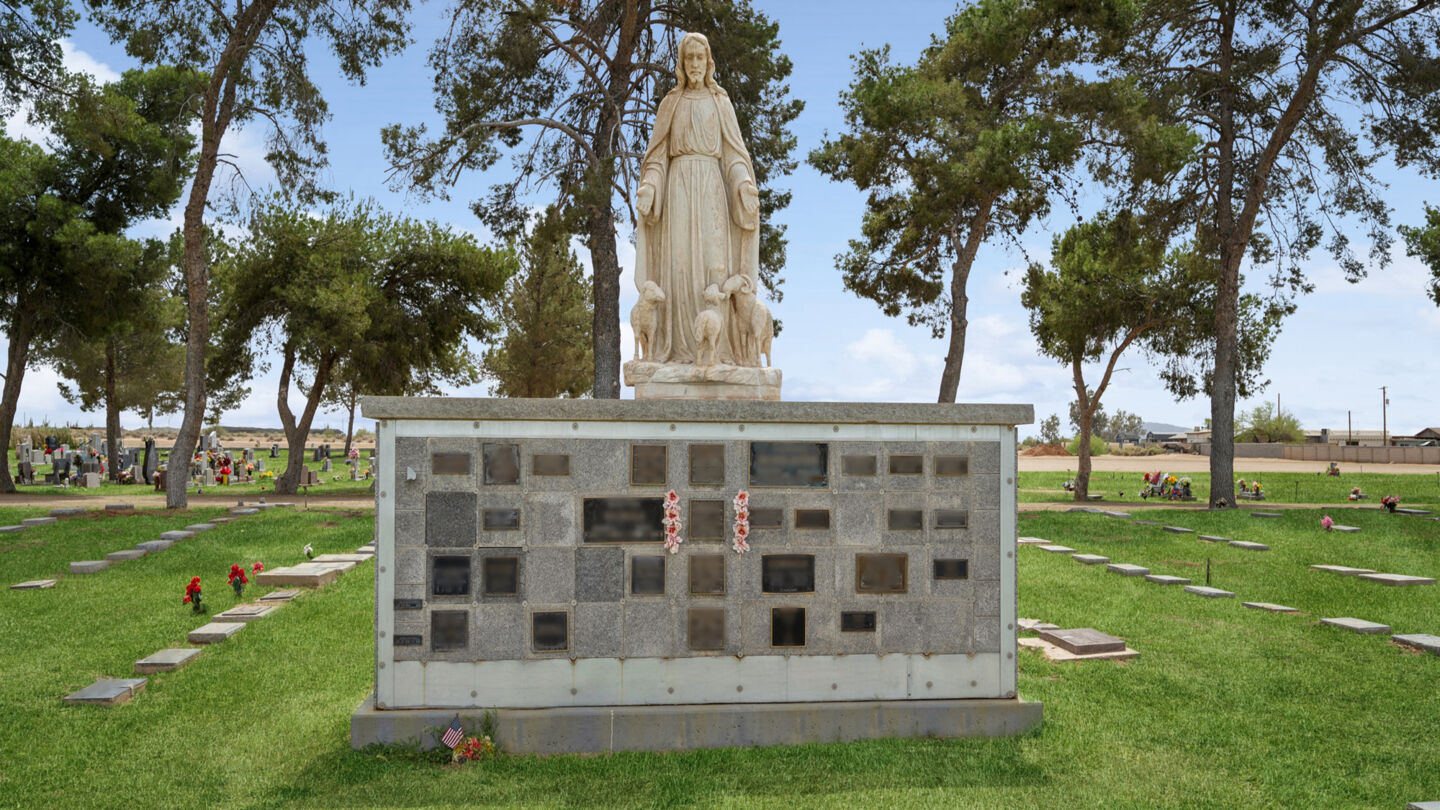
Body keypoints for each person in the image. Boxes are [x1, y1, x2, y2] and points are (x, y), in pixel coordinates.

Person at [633, 31, 761, 366]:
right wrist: (649, 186)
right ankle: (676, 351)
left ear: (708, 62)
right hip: (677, 193)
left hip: (712, 193)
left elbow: (733, 156)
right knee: (678, 268)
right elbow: (657, 158)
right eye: (688, 57)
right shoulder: (670, 104)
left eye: (699, 57)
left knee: (714, 266)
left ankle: (716, 353)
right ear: (681, 62)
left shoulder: (721, 103)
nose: (694, 64)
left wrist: (744, 184)